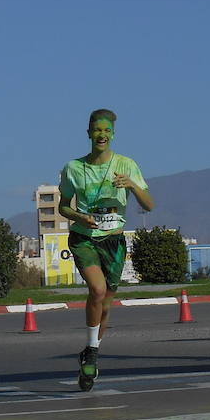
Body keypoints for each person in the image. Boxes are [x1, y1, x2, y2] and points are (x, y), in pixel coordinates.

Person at [56, 108, 154, 391]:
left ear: (113, 135)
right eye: (97, 130)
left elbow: (149, 205)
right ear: (88, 133)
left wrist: (133, 185)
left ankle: (90, 352)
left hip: (114, 240)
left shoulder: (126, 165)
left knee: (107, 303)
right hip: (84, 238)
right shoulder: (74, 168)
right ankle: (93, 352)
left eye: (107, 131)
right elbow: (63, 206)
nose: (102, 135)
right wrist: (78, 216)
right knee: (97, 291)